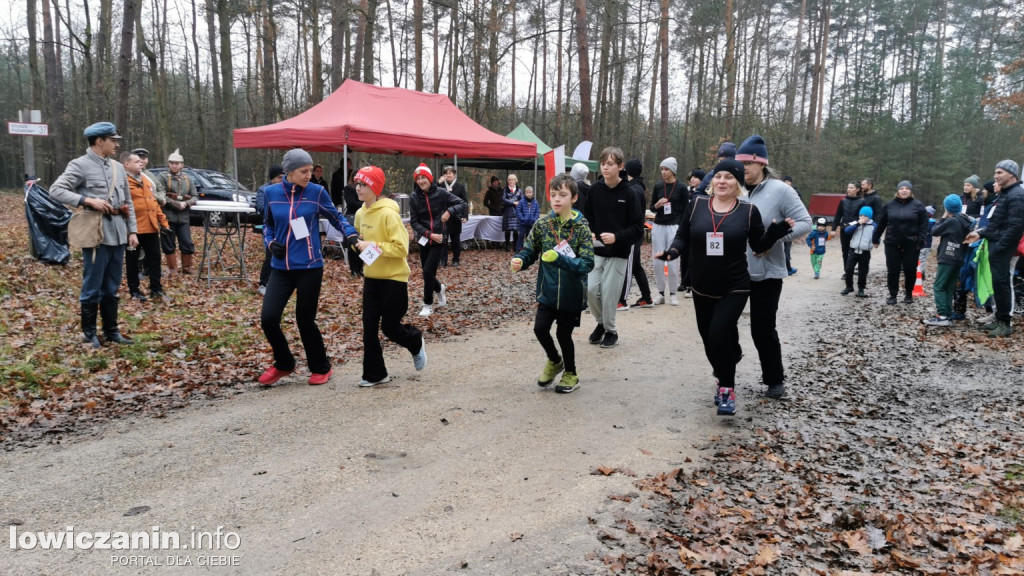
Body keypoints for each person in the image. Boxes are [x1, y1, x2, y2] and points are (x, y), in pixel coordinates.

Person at [656, 159, 792, 416]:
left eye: (729, 177)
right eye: (718, 176)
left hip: (735, 286)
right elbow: (683, 235)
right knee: (709, 340)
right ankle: (725, 368)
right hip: (701, 285)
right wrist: (673, 252)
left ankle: (727, 390)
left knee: (719, 334)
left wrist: (777, 231)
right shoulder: (696, 205)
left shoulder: (748, 210)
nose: (722, 181)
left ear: (738, 183)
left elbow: (758, 245)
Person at [257, 148, 359, 387]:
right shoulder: (271, 193)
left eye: (311, 171)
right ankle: (284, 363)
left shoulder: (317, 192)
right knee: (268, 318)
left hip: (310, 267)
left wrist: (352, 235)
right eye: (304, 171)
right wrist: (271, 244)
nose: (309, 175)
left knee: (305, 319)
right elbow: (267, 227)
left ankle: (321, 367)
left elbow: (336, 217)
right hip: (281, 268)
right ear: (289, 172)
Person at [48, 121, 138, 348]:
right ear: (100, 141)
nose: (117, 144)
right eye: (113, 140)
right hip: (96, 233)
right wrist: (87, 200)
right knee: (93, 285)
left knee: (112, 285)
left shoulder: (118, 167)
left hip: (118, 232)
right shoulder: (80, 165)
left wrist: (132, 230)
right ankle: (89, 334)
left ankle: (111, 331)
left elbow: (128, 202)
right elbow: (56, 190)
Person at [736, 134, 812, 399]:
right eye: (741, 163)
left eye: (749, 163)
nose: (744, 168)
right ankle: (726, 377)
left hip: (766, 272)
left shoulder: (781, 190)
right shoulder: (734, 189)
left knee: (762, 328)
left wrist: (775, 238)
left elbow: (805, 222)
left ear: (761, 164)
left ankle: (774, 379)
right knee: (723, 325)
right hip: (734, 270)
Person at [510, 173, 595, 394]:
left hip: (571, 294)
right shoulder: (542, 225)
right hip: (547, 291)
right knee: (540, 329)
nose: (556, 199)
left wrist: (561, 260)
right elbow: (530, 250)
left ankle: (571, 373)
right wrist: (522, 260)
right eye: (553, 194)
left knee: (563, 334)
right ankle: (555, 360)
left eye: (563, 195)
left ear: (574, 198)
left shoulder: (582, 228)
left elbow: (587, 263)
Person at [350, 165, 427, 387]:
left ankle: (415, 341)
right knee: (369, 327)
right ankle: (375, 374)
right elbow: (359, 240)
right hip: (372, 278)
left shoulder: (388, 213)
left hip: (394, 279)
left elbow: (402, 248)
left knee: (390, 327)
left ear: (375, 187)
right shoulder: (360, 213)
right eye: (357, 183)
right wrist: (357, 244)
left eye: (363, 184)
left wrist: (370, 245)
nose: (359, 188)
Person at [582, 147, 644, 349]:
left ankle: (611, 330)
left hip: (619, 252)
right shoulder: (594, 190)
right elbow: (587, 219)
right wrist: (589, 231)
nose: (606, 167)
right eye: (603, 164)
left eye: (610, 164)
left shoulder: (630, 193)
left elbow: (637, 230)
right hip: (596, 250)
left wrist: (617, 237)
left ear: (620, 166)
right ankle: (601, 323)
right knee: (590, 290)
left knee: (609, 294)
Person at [965, 160, 1024, 338]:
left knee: (1003, 284)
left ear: (1012, 174)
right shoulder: (1006, 194)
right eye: (995, 172)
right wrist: (980, 233)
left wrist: (1000, 248)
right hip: (996, 245)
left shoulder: (1017, 195)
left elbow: (1015, 227)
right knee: (997, 285)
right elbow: (997, 224)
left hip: (1002, 249)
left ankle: (1005, 324)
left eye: (999, 172)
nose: (996, 176)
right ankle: (999, 319)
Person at [409, 163, 465, 317]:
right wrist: (428, 234)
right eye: (418, 179)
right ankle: (440, 288)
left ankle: (427, 304)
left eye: (423, 178)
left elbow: (462, 203)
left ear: (429, 178)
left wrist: (449, 211)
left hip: (440, 239)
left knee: (428, 272)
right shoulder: (414, 197)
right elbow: (414, 222)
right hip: (425, 239)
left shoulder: (441, 193)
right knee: (427, 274)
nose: (420, 181)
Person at [872, 180, 928, 305]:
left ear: (910, 191)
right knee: (893, 270)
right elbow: (881, 223)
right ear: (897, 191)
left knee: (910, 270)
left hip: (911, 243)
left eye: (907, 188)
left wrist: (920, 239)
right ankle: (893, 295)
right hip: (892, 242)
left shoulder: (918, 205)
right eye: (901, 188)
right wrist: (875, 239)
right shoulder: (889, 205)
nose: (904, 190)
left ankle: (909, 294)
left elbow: (924, 225)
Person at [122, 151, 168, 301]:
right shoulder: (122, 182)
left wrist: (163, 222)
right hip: (133, 229)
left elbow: (153, 203)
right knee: (133, 261)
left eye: (141, 161)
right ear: (126, 164)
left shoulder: (146, 179)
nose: (140, 163)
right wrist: (129, 230)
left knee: (155, 259)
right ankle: (134, 291)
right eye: (136, 161)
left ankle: (156, 289)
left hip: (151, 227)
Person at [923, 195, 972, 327]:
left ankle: (942, 315)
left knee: (939, 286)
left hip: (947, 256)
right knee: (949, 287)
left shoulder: (952, 221)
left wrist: (943, 216)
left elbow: (933, 231)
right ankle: (948, 315)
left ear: (947, 207)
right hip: (959, 257)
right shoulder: (965, 220)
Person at [618, 158, 653, 309]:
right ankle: (646, 297)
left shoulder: (634, 189)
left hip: (632, 234)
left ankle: (622, 301)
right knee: (636, 266)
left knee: (628, 266)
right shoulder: (636, 186)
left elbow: (633, 214)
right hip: (633, 233)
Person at [650, 157, 686, 305]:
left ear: (673, 171)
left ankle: (673, 293)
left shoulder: (681, 188)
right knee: (658, 261)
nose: (663, 172)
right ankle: (660, 293)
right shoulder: (658, 186)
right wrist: (657, 205)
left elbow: (685, 211)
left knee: (672, 261)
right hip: (658, 225)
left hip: (674, 226)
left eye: (666, 169)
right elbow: (652, 208)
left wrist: (683, 229)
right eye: (662, 169)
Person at [157, 148, 197, 275]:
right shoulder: (162, 177)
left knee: (186, 242)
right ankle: (173, 269)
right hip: (168, 216)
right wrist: (175, 204)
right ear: (169, 164)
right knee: (168, 243)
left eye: (177, 163)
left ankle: (187, 267)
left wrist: (186, 203)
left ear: (182, 165)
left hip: (184, 217)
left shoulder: (188, 179)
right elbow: (161, 195)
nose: (174, 165)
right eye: (172, 163)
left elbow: (195, 196)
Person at [255, 164, 285, 295]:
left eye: (284, 177)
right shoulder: (264, 190)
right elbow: (261, 207)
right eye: (279, 177)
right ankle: (263, 283)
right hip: (271, 227)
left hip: (286, 226)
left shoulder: (287, 189)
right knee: (270, 254)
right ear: (272, 178)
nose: (281, 180)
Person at [840, 206, 876, 297]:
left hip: (865, 252)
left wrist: (877, 242)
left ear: (869, 217)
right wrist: (857, 224)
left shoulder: (873, 226)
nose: (862, 217)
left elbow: (877, 236)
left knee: (863, 271)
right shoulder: (856, 223)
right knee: (848, 269)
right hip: (853, 250)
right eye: (861, 215)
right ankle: (849, 287)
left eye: (865, 216)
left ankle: (861, 289)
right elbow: (847, 231)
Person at [439, 165, 468, 266]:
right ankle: (443, 260)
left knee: (455, 240)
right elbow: (432, 192)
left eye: (450, 173)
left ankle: (456, 259)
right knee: (443, 240)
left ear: (454, 175)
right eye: (446, 173)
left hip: (456, 217)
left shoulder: (460, 187)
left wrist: (465, 216)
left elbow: (465, 202)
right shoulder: (441, 186)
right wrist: (438, 182)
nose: (448, 175)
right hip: (443, 217)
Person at [831, 181, 863, 270]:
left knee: (855, 250)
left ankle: (854, 267)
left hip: (856, 229)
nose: (849, 189)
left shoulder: (862, 201)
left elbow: (864, 217)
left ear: (857, 189)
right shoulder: (843, 201)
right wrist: (833, 229)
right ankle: (847, 270)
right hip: (844, 229)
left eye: (851, 188)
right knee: (845, 251)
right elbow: (838, 215)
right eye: (848, 187)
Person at [781, 175, 800, 276]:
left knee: (787, 247)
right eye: (785, 181)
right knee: (783, 247)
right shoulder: (778, 192)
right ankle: (787, 268)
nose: (787, 183)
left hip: (791, 223)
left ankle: (787, 267)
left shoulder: (796, 193)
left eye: (789, 181)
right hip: (781, 223)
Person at [515, 185, 540, 251]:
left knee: (530, 237)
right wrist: (522, 218)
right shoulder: (521, 201)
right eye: (527, 192)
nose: (529, 194)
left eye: (530, 192)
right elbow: (518, 210)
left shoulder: (535, 202)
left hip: (531, 223)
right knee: (521, 236)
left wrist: (535, 219)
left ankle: (529, 249)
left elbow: (537, 211)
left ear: (532, 193)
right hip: (523, 223)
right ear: (525, 193)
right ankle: (518, 249)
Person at [501, 174, 523, 251]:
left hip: (516, 213)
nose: (511, 181)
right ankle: (507, 246)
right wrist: (513, 203)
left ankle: (515, 246)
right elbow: (503, 199)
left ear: (515, 181)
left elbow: (522, 200)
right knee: (507, 230)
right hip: (507, 212)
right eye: (510, 180)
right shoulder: (504, 190)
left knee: (515, 230)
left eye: (512, 180)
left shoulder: (519, 190)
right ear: (508, 181)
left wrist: (518, 203)